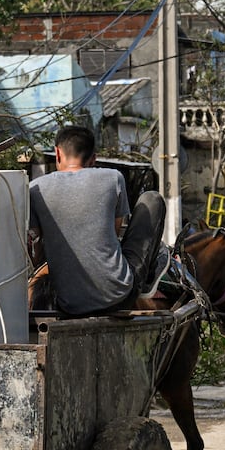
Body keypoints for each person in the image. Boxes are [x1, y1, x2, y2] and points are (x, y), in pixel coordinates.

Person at [28, 125, 165, 317]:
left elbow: (35, 250)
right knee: (152, 199)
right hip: (118, 296)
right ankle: (146, 277)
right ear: (93, 158)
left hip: (68, 303)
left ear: (58, 153)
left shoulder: (35, 189)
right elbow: (115, 233)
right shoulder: (113, 178)